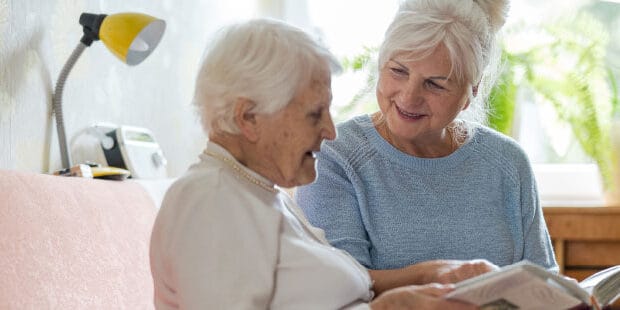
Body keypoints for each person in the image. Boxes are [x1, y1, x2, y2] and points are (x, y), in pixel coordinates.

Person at [149, 18, 477, 309]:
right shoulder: (211, 201)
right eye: (314, 114)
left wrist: (427, 275)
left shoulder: (255, 192)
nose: (331, 132)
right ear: (248, 117)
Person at [296, 0, 559, 296]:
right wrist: (429, 275)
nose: (409, 97)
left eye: (434, 84)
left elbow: (542, 281)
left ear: (471, 91)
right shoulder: (336, 155)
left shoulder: (508, 162)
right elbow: (335, 286)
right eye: (398, 71)